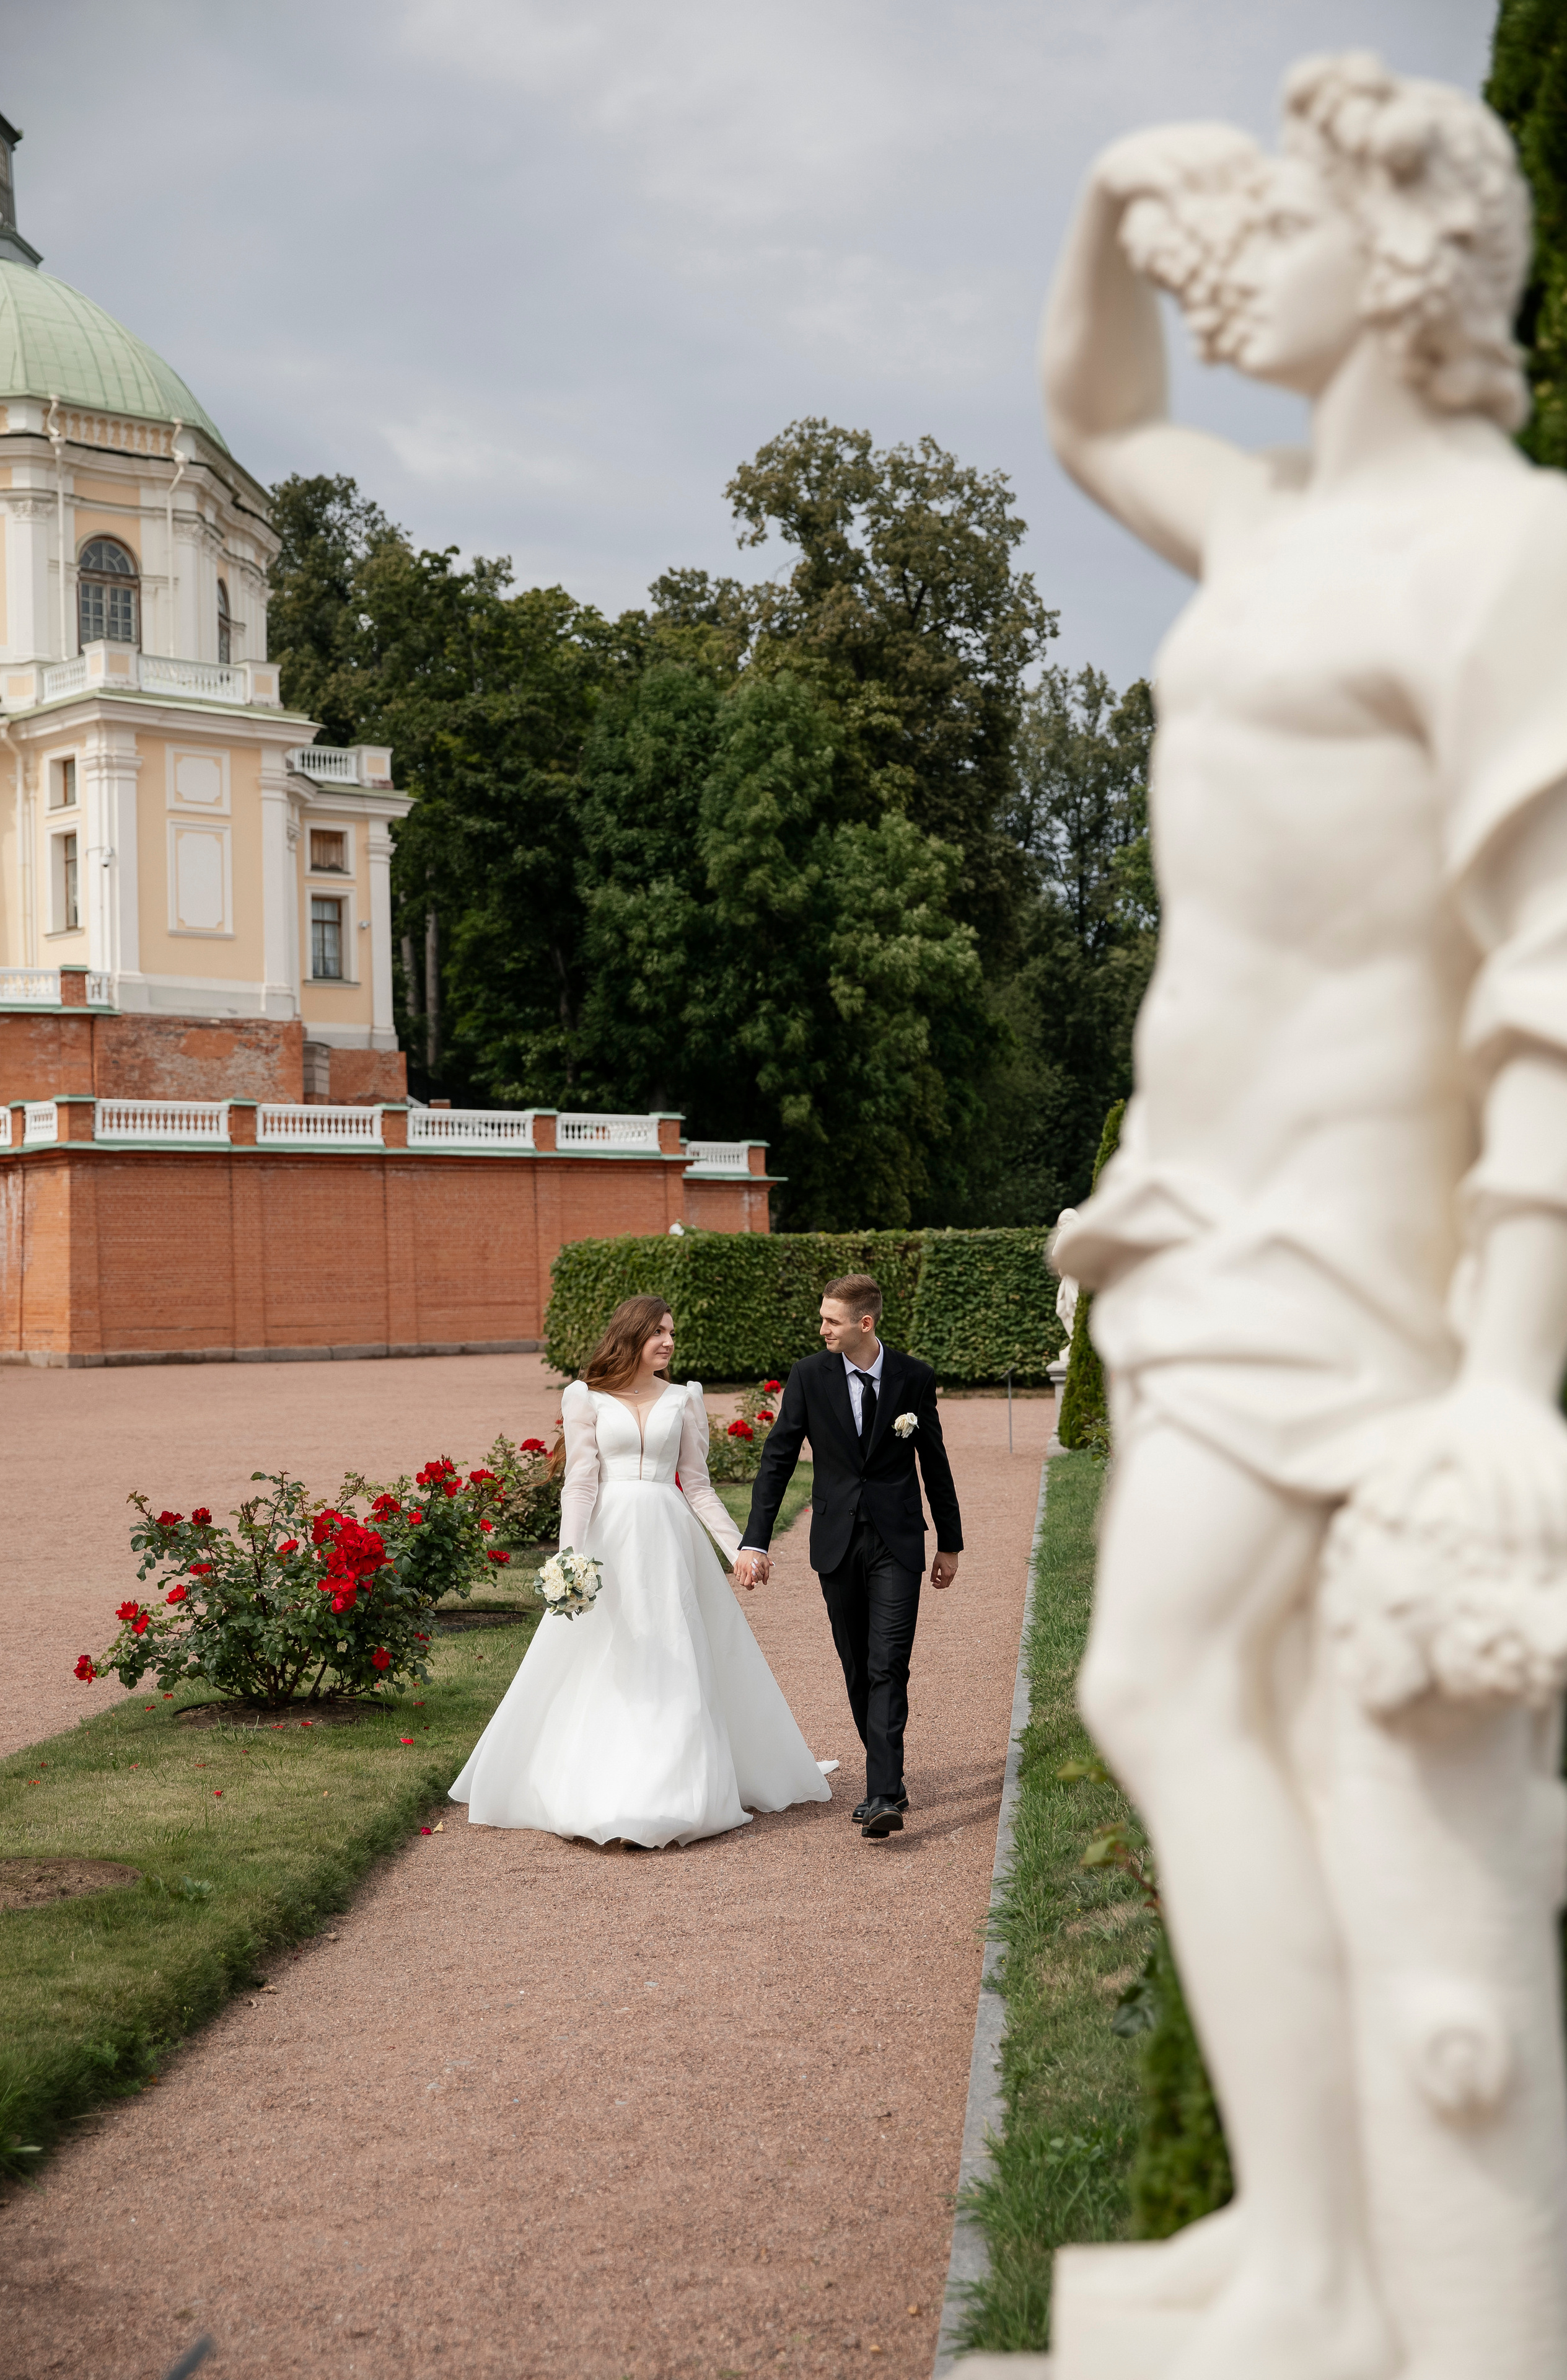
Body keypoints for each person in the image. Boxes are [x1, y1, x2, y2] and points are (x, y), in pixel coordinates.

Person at [1042, 51, 1567, 2380]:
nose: (1239, 260)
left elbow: (1551, 978)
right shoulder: (1263, 523)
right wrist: (1102, 196)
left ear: (1412, 264)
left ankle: (1323, 2270)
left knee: (1161, 1680)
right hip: (1197, 1206)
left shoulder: (1507, 551)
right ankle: (1310, 2241)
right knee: (1235, 1701)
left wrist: (1504, 1378)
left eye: (1294, 220)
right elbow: (1088, 411)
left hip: (1341, 1247)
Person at [450, 1296, 833, 1848]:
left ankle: (673, 1793)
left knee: (676, 1653)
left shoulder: (684, 1398)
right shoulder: (585, 1398)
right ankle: (608, 1783)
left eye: (672, 1332)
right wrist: (569, 1559)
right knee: (611, 1658)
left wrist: (741, 1549)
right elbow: (580, 1484)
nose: (669, 1342)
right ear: (631, 1335)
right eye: (658, 1332)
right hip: (609, 1543)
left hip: (670, 1540)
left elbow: (697, 1485)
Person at [737, 1274, 962, 1839]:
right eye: (822, 1318)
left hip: (898, 1540)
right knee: (857, 1665)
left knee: (889, 1662)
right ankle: (891, 1778)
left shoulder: (914, 1376)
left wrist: (950, 1542)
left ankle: (882, 1792)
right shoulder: (809, 1375)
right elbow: (778, 1458)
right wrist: (756, 1539)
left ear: (865, 1323)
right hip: (836, 1541)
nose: (822, 1329)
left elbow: (934, 1461)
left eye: (831, 1320)